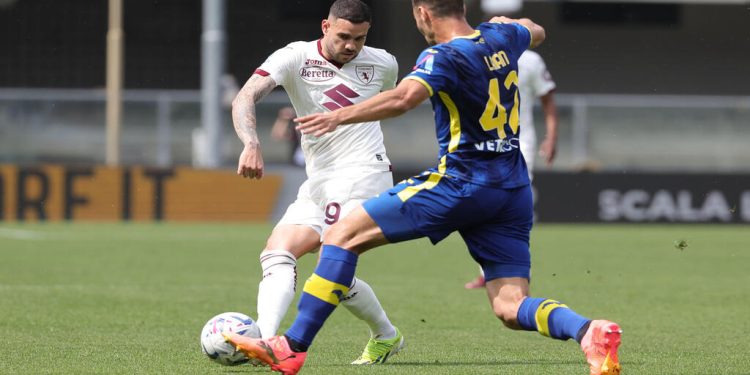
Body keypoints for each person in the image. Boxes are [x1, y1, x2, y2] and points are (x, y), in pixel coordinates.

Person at [226, 1, 622, 375]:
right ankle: (588, 331)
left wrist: (337, 117)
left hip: (461, 182)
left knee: (341, 237)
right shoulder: (502, 38)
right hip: (511, 188)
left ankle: (292, 347)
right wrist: (516, 26)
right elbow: (535, 30)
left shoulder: (442, 56)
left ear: (423, 13)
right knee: (509, 306)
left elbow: (402, 99)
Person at [230, 0, 404, 366]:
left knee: (331, 262)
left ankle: (265, 340)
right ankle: (386, 336)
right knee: (279, 251)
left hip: (363, 173)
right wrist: (251, 142)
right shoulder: (295, 57)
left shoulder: (383, 63)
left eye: (360, 38)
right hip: (319, 178)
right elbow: (246, 95)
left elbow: (391, 102)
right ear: (325, 27)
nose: (352, 45)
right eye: (344, 36)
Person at [464, 48, 558, 289]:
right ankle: (488, 271)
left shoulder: (531, 59)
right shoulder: (476, 53)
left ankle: (516, 270)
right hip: (483, 142)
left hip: (520, 142)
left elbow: (547, 99)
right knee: (484, 204)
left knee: (512, 205)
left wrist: (552, 136)